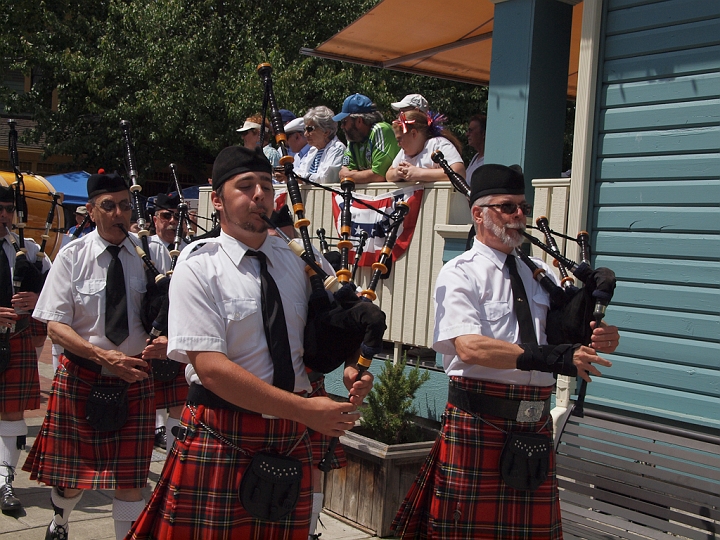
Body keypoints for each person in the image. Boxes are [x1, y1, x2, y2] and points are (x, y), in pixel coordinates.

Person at [127, 146, 374, 540]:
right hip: (223, 430)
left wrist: (351, 363)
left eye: (266, 185)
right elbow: (210, 368)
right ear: (217, 201)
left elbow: (334, 322)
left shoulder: (302, 260)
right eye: (245, 186)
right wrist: (305, 410)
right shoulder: (198, 265)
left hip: (290, 433)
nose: (259, 194)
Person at [392, 164, 620, 539]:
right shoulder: (460, 272)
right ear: (478, 213)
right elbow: (470, 347)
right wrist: (551, 357)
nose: (518, 216)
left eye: (522, 207)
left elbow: (568, 340)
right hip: (479, 421)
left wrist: (599, 333)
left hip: (533, 424)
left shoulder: (541, 273)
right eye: (507, 206)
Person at [24, 171, 167, 540]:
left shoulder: (152, 252)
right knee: (72, 482)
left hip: (135, 376)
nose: (119, 213)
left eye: (124, 205)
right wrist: (104, 357)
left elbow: (169, 309)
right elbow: (55, 326)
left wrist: (165, 338)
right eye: (109, 206)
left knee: (130, 480)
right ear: (91, 210)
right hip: (84, 375)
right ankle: (60, 521)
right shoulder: (72, 256)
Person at [0, 186, 51, 513]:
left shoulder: (28, 251)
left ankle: (5, 480)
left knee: (12, 413)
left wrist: (37, 299)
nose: (4, 215)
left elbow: (55, 286)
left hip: (14, 339)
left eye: (8, 209)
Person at [147, 192, 189, 453]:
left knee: (178, 404)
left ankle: (173, 461)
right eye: (166, 215)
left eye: (177, 216)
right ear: (155, 219)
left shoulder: (190, 249)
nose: (172, 221)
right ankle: (152, 431)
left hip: (179, 333)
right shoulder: (143, 246)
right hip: (149, 332)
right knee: (145, 402)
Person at [335, 93, 400, 184]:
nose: (342, 126)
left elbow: (378, 175)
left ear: (359, 121)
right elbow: (344, 171)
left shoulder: (380, 130)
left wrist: (351, 175)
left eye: (344, 121)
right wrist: (360, 175)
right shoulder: (353, 138)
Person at [386, 110, 466, 183]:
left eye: (399, 139)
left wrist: (419, 173)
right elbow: (388, 175)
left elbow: (459, 172)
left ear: (414, 134)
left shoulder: (437, 144)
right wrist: (397, 172)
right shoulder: (404, 152)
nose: (398, 144)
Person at [294, 106, 346, 185]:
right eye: (305, 130)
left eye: (310, 129)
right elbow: (300, 172)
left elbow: (326, 179)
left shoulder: (337, 149)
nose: (305, 134)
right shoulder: (313, 150)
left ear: (326, 132)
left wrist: (301, 178)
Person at [466, 114, 487, 181]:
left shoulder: (488, 161)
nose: (467, 134)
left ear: (483, 134)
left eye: (471, 130)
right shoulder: (475, 157)